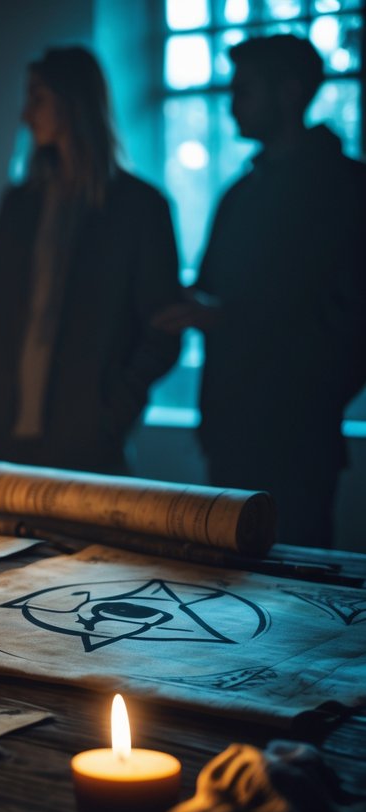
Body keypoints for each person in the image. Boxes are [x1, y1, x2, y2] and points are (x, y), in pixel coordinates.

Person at [153, 35, 366, 547]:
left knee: (299, 599)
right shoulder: (242, 193)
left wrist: (228, 320)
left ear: (289, 92)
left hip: (300, 436)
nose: (230, 105)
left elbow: (353, 322)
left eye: (244, 90)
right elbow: (210, 292)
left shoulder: (349, 191)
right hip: (231, 431)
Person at [0, 47, 181, 474]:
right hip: (10, 429)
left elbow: (164, 327)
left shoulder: (139, 206)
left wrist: (114, 407)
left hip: (89, 434)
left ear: (74, 101)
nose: (26, 114)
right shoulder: (20, 204)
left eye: (38, 98)